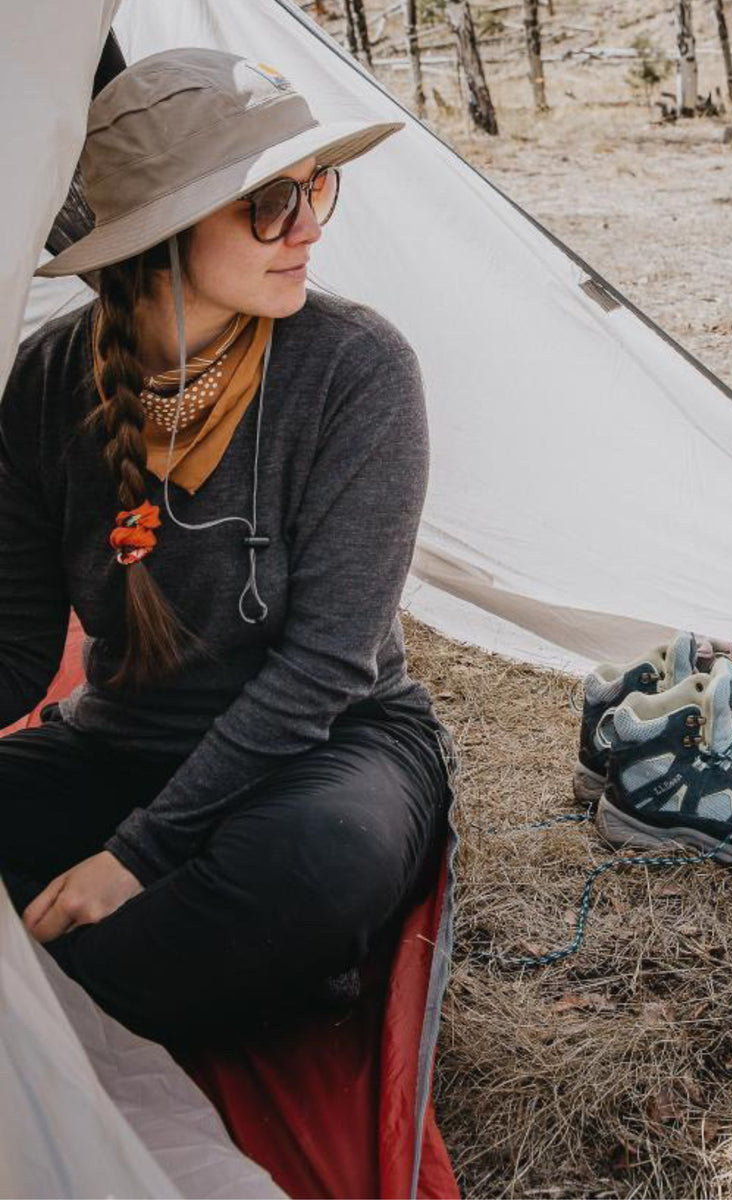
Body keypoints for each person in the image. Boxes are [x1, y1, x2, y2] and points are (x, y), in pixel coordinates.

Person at [0, 48, 450, 1045]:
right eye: (267, 202)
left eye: (315, 187)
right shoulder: (43, 383)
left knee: (317, 862)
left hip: (330, 751)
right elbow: (19, 648)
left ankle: (57, 1010)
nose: (306, 229)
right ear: (158, 233)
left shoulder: (355, 369)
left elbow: (328, 666)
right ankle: (170, 983)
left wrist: (137, 858)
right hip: (119, 746)